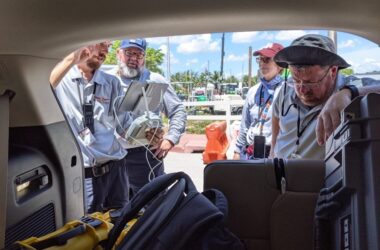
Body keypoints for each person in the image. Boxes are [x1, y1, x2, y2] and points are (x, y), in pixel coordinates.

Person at [49, 42, 130, 213]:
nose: (105, 51)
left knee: (119, 220)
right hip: (85, 172)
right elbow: (43, 87)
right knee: (88, 226)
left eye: (108, 46)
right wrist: (72, 59)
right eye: (101, 44)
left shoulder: (111, 82)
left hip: (116, 168)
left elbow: (123, 125)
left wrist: (148, 131)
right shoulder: (61, 77)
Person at [271, 34, 380, 159]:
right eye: (295, 80)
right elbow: (276, 122)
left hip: (322, 178)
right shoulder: (285, 90)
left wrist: (348, 92)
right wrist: (271, 156)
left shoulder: (354, 87)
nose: (301, 89)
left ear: (333, 71)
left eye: (310, 82)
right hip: (279, 175)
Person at [110, 38, 187, 196]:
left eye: (139, 55)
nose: (134, 59)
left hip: (146, 154)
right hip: (112, 155)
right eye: (129, 53)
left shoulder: (155, 79)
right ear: (118, 53)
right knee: (116, 209)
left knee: (153, 205)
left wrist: (171, 138)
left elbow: (177, 108)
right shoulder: (107, 79)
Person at [233, 43, 284, 160]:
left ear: (280, 65)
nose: (262, 63)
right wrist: (237, 150)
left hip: (275, 154)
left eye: (267, 59)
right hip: (251, 152)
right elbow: (245, 124)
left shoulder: (287, 91)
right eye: (260, 59)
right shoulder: (253, 91)